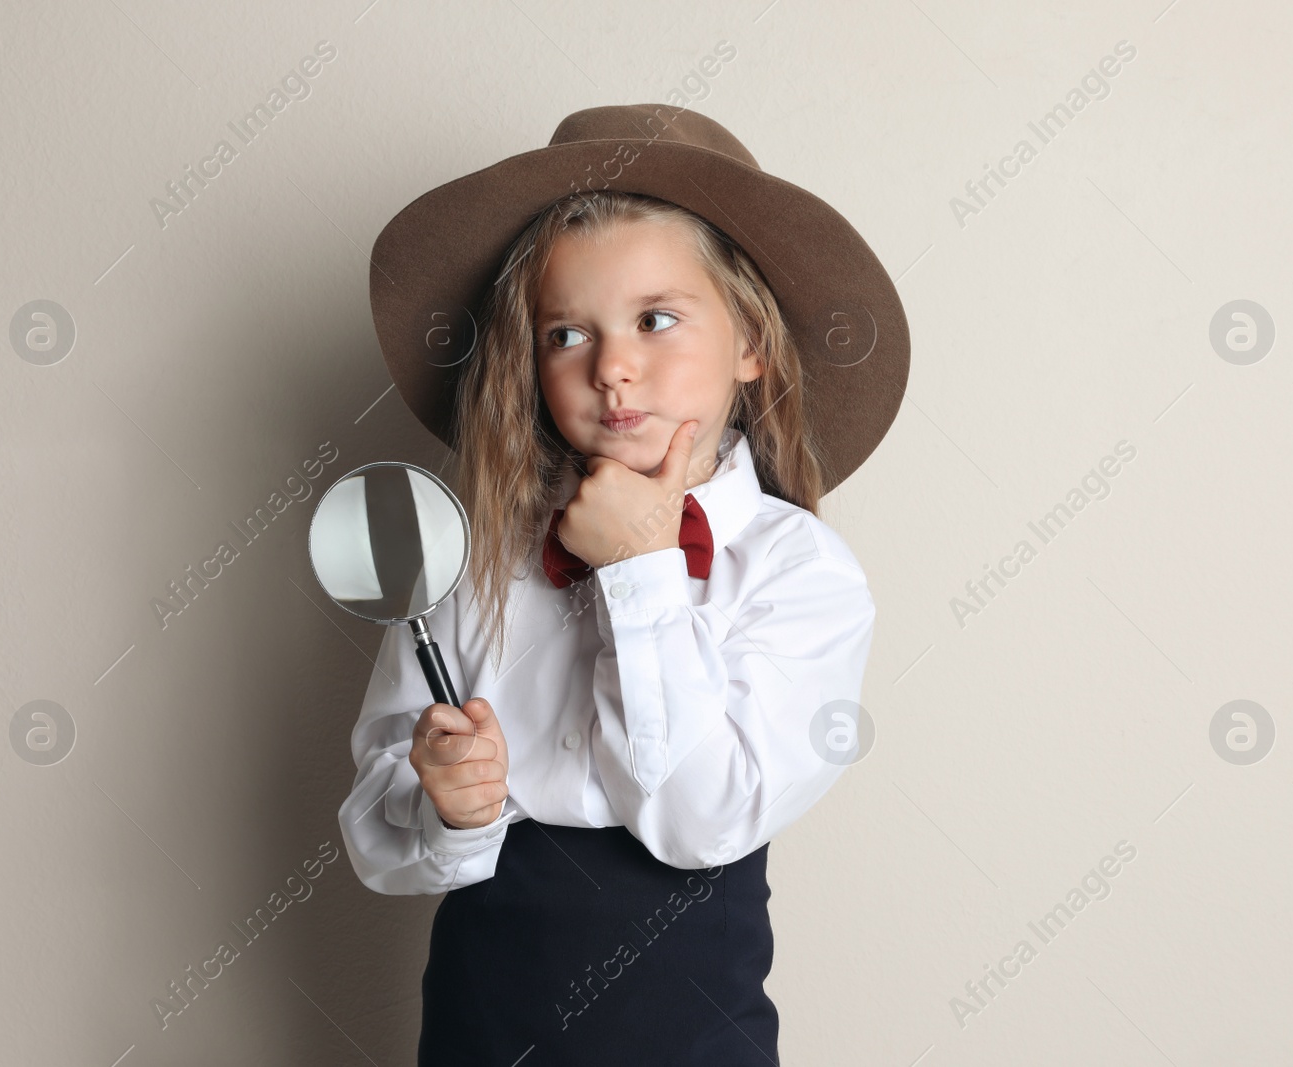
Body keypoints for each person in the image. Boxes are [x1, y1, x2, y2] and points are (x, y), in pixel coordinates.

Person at [337, 103, 910, 1065]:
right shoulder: (473, 561)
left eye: (657, 319)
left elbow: (701, 818)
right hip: (480, 1026)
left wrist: (643, 569)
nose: (613, 367)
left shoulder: (797, 571)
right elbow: (373, 829)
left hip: (685, 1033)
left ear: (751, 342)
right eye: (568, 333)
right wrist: (448, 805)